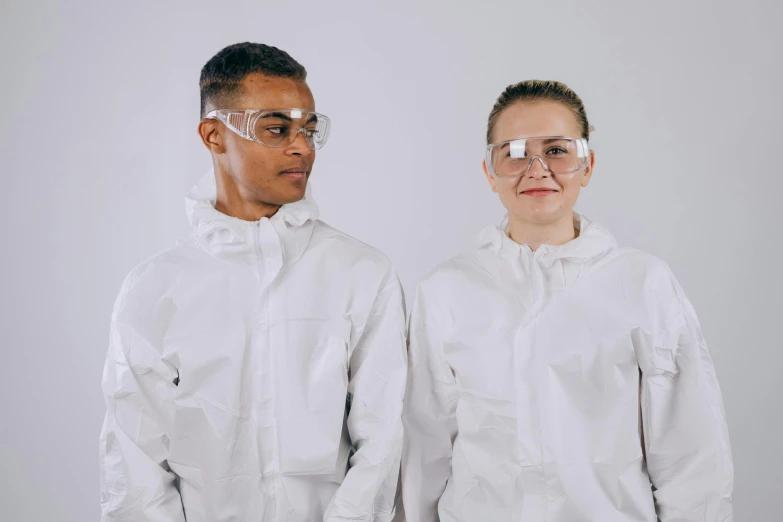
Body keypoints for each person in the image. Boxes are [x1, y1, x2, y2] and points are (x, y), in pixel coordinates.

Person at [99, 42, 407, 522]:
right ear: (214, 135)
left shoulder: (361, 273)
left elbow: (384, 436)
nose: (301, 146)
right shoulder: (155, 288)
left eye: (309, 128)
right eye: (277, 128)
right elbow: (133, 458)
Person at [399, 80, 733, 521]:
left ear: (588, 165)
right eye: (515, 152)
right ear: (489, 171)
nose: (537, 169)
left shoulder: (642, 283)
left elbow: (692, 451)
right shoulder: (447, 290)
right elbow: (423, 451)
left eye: (557, 150)